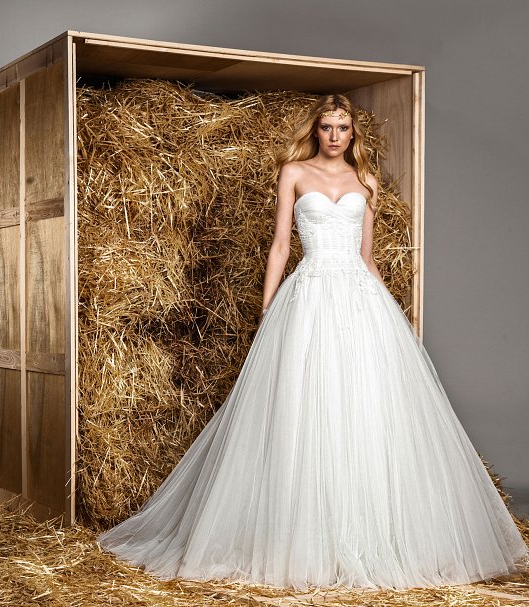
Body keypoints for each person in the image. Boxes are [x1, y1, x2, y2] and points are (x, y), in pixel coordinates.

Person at [98, 94, 528, 590]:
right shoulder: (294, 172)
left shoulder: (366, 181)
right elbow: (281, 245)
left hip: (360, 298)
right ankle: (302, 534)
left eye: (343, 127)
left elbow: (367, 257)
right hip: (309, 295)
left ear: (353, 133)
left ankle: (369, 532)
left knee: (364, 404)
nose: (335, 135)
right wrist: (267, 309)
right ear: (316, 130)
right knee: (304, 404)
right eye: (327, 126)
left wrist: (394, 316)